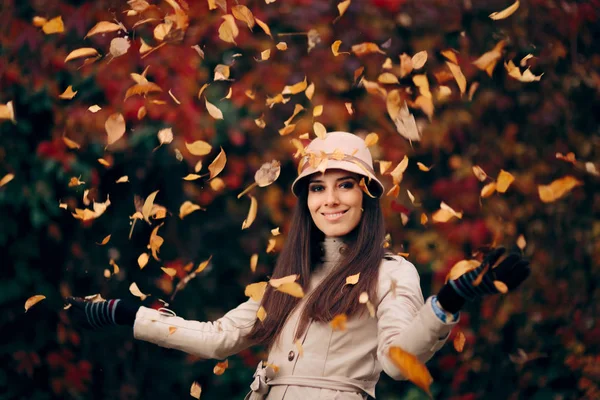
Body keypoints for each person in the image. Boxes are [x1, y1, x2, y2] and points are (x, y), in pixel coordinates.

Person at [66, 131, 531, 399]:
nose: (330, 199)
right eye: (317, 187)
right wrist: (123, 314)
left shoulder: (392, 272)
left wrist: (449, 300)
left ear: (367, 197)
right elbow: (220, 339)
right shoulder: (291, 277)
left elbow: (396, 363)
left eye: (345, 185)